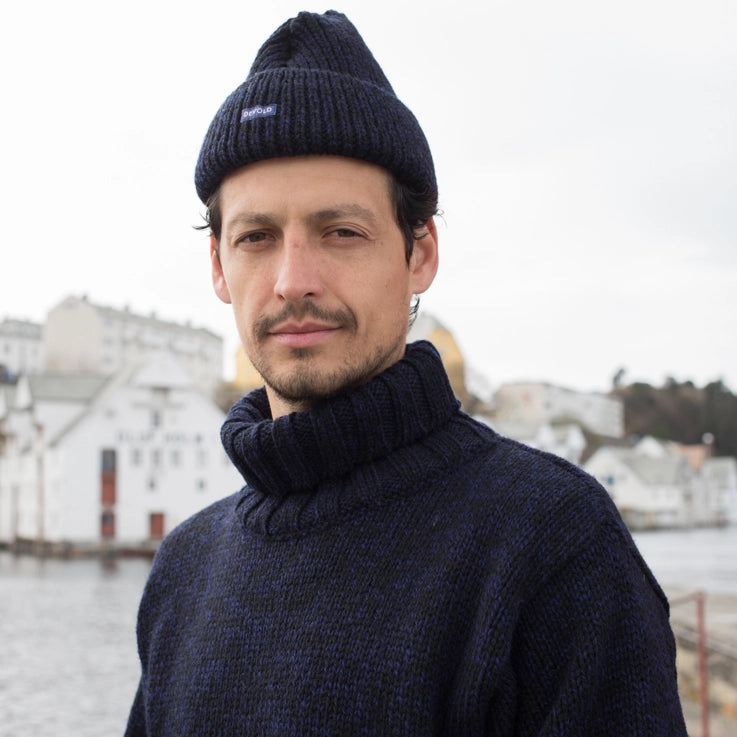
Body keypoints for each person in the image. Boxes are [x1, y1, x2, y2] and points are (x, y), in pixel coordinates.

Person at [126, 10, 687, 736]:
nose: (292, 280)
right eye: (256, 237)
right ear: (217, 266)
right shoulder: (183, 571)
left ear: (419, 251)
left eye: (341, 232)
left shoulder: (550, 546)